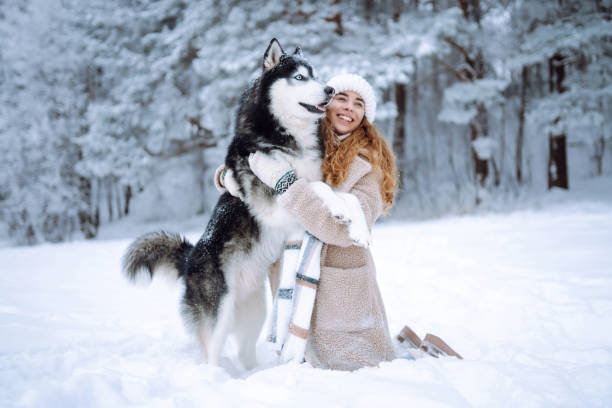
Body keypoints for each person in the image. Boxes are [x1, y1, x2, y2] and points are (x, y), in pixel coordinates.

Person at [216, 74, 461, 370]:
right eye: (341, 98)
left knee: (359, 366)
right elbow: (250, 162)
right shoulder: (301, 144)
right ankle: (406, 346)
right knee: (303, 365)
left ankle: (422, 358)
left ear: (365, 117)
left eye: (359, 104)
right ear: (325, 105)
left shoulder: (367, 166)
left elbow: (342, 230)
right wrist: (225, 177)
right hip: (294, 279)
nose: (349, 108)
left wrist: (285, 183)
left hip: (341, 286)